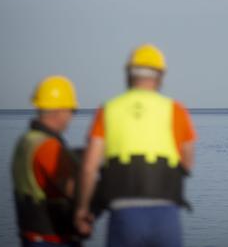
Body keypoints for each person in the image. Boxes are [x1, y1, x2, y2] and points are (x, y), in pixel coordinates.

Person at [75, 44, 196, 247]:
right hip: (165, 215)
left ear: (129, 74)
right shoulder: (175, 110)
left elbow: (88, 168)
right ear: (160, 76)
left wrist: (82, 209)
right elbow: (187, 162)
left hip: (124, 214)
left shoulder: (108, 110)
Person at [12, 75, 80, 247]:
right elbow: (73, 190)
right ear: (60, 110)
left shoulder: (26, 141)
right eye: (71, 111)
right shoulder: (48, 148)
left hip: (30, 237)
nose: (71, 117)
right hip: (53, 240)